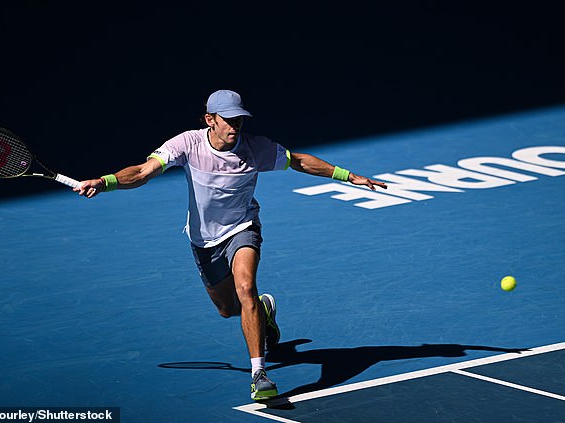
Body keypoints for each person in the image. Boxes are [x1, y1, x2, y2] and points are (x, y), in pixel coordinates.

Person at [74, 89, 387, 401]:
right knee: (227, 309)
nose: (235, 125)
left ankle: (259, 374)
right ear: (210, 120)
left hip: (242, 227)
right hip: (203, 240)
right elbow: (143, 172)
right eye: (228, 119)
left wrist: (348, 176)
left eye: (240, 119)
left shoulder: (256, 148)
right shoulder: (187, 144)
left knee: (246, 286)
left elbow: (299, 161)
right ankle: (263, 312)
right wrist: (105, 182)